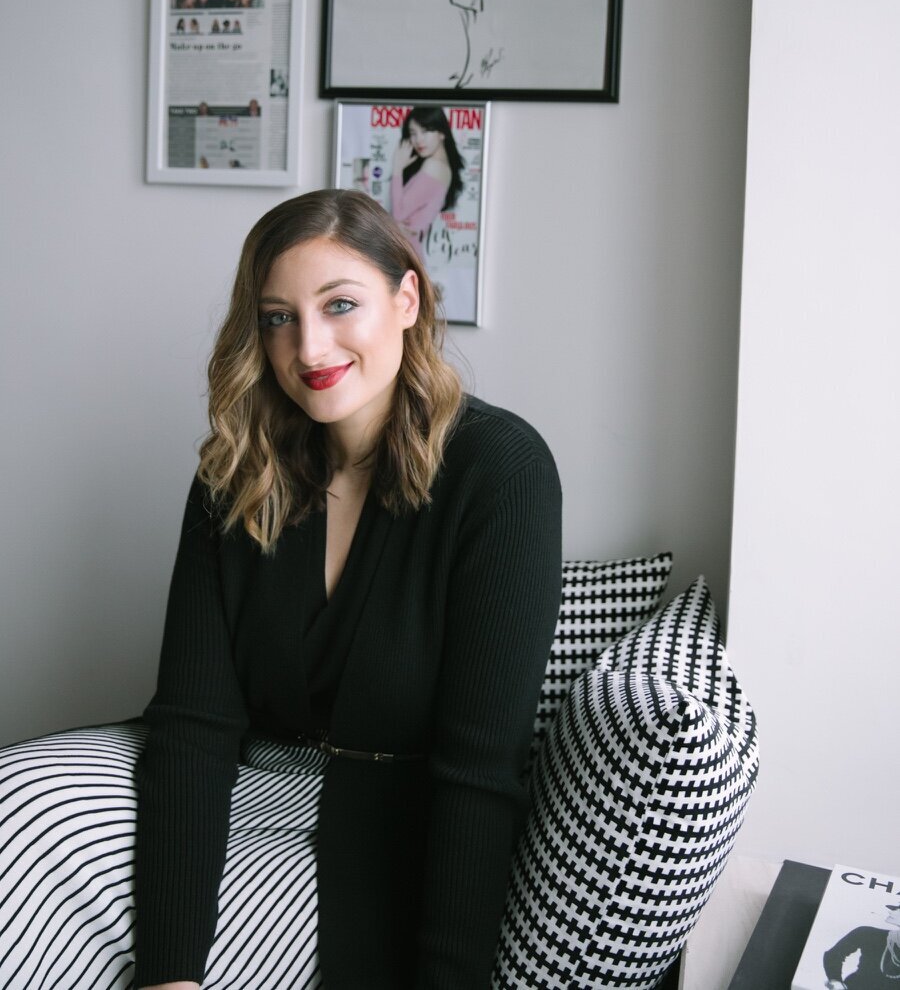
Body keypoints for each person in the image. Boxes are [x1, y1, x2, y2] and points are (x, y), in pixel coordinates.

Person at [0, 189, 561, 990]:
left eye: (340, 305)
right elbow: (193, 726)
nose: (310, 345)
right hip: (240, 780)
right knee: (14, 806)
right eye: (277, 317)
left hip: (382, 819)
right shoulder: (237, 467)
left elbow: (479, 773)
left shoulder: (502, 471)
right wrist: (170, 973)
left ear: (407, 299)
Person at [390, 106, 465, 263]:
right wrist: (395, 226)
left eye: (425, 131)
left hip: (407, 257)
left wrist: (397, 168)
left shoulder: (434, 167)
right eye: (413, 133)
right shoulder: (441, 166)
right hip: (409, 254)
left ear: (442, 133)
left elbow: (399, 213)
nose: (418, 140)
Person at [824, 900, 900, 987]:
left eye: (898, 909)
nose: (890, 911)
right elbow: (833, 955)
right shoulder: (868, 933)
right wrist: (836, 981)